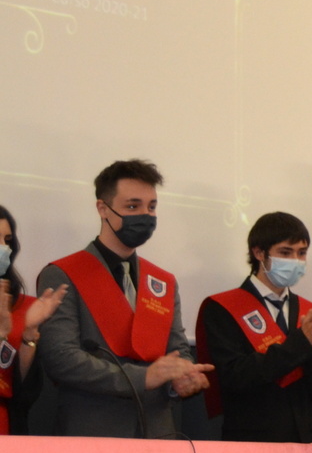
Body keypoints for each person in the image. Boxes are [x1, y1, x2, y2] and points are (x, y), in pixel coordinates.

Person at [36, 160, 212, 438]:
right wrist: (145, 377)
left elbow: (178, 350)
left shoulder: (162, 282)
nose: (145, 215)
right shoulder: (63, 274)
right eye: (132, 206)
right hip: (93, 433)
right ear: (103, 208)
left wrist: (181, 378)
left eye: (151, 207)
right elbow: (62, 359)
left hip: (158, 433)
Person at [195, 211, 312, 443]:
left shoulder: (308, 311)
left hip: (306, 439)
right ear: (259, 253)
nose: (295, 261)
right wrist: (300, 343)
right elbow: (236, 377)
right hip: (252, 439)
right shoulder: (222, 307)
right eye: (285, 253)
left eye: (301, 253)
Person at [0, 205, 67, 434]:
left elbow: (25, 389)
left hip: (8, 429)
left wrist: (29, 332)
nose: (3, 248)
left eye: (7, 240)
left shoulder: (26, 306)